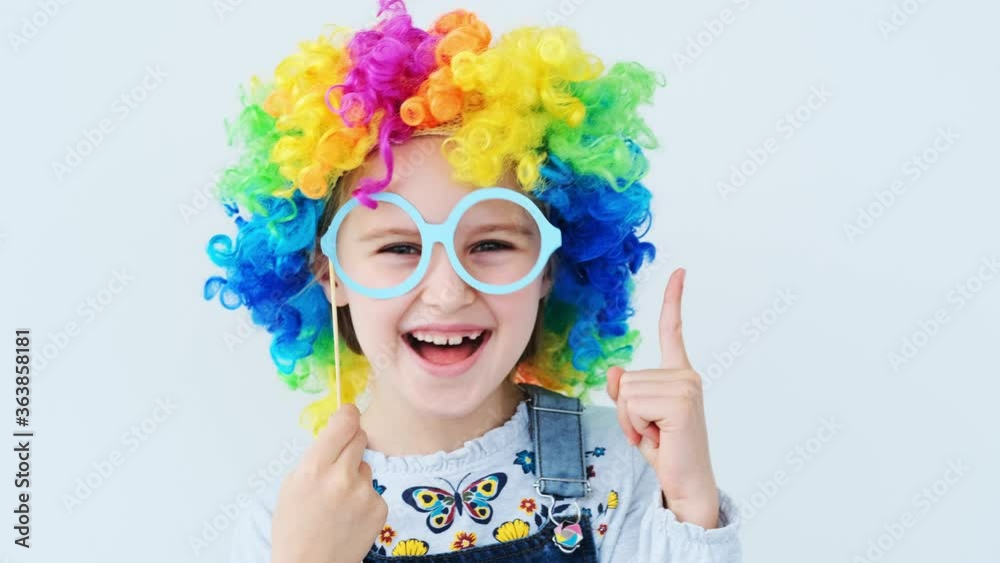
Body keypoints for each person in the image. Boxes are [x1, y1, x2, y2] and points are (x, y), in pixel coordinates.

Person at [205, 1, 743, 561]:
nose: (447, 293)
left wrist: (690, 506)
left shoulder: (623, 464)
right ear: (331, 274)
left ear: (548, 268)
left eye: (490, 245)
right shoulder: (289, 523)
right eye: (399, 248)